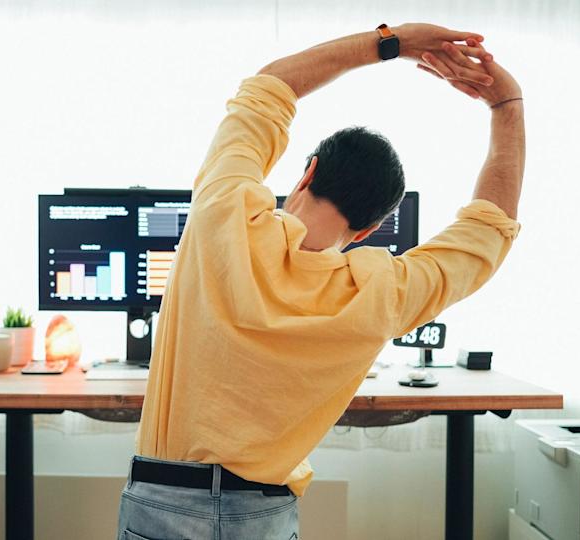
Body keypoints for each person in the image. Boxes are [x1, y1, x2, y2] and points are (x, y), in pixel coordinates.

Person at [117, 22, 524, 540]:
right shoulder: (381, 292)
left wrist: (393, 42)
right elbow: (488, 229)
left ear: (307, 173)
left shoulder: (224, 211)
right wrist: (506, 105)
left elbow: (270, 88)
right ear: (370, 229)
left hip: (163, 502)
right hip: (262, 517)